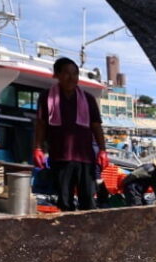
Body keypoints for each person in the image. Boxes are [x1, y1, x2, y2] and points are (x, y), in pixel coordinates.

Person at [33, 57, 109, 211]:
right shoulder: (46, 97)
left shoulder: (88, 99)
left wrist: (102, 150)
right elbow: (41, 124)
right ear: (57, 75)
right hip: (60, 157)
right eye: (67, 73)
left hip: (85, 158)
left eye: (75, 73)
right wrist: (38, 148)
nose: (71, 77)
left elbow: (96, 126)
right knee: (64, 200)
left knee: (88, 199)